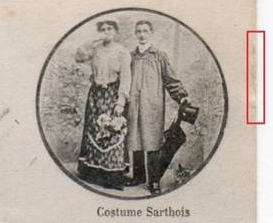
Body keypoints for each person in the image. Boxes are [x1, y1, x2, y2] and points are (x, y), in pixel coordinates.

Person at [126, 19, 190, 193]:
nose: (142, 34)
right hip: (133, 105)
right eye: (138, 31)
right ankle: (138, 176)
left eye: (145, 31)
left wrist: (181, 96)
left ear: (151, 33)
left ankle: (154, 181)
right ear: (135, 34)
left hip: (152, 105)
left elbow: (170, 79)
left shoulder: (159, 56)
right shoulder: (130, 57)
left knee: (152, 140)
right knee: (135, 138)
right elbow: (123, 80)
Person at [74, 20, 132, 190]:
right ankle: (93, 173)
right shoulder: (95, 49)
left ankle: (112, 176)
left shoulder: (122, 52)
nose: (106, 32)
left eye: (110, 29)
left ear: (116, 31)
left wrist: (121, 102)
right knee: (94, 130)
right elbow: (79, 57)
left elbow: (126, 78)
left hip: (113, 94)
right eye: (103, 29)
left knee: (112, 130)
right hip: (96, 95)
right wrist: (92, 40)